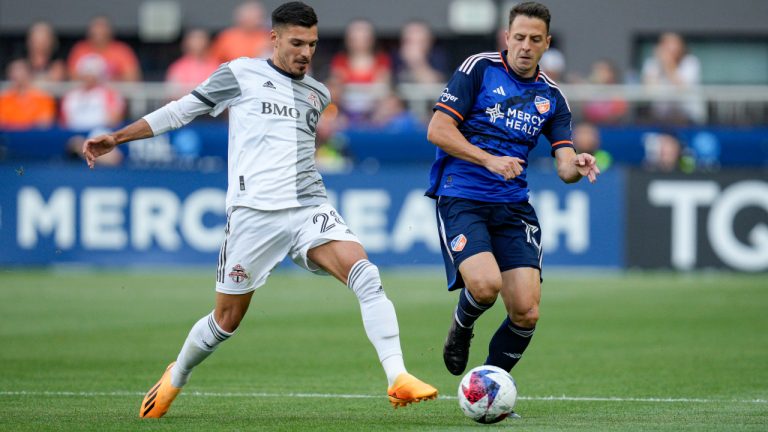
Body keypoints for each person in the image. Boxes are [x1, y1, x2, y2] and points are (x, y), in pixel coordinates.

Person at [81, 1, 437, 419]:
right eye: (297, 43)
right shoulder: (240, 73)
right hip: (253, 215)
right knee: (225, 322)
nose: (306, 52)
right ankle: (176, 375)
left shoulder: (318, 93)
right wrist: (118, 138)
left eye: (313, 44)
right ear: (275, 38)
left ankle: (397, 377)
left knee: (366, 273)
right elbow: (182, 110)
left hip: (307, 207)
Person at [425, 0, 599, 402]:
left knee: (526, 311)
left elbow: (564, 167)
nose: (525, 45)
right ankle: (462, 325)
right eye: (518, 37)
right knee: (484, 287)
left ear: (546, 44)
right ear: (507, 38)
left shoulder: (552, 97)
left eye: (534, 39)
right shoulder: (479, 68)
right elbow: (438, 129)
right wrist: (488, 159)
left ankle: (488, 389)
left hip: (512, 206)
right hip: (462, 195)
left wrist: (578, 163)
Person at [641, 32, 704, 124]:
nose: (671, 48)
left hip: (688, 119)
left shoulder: (691, 62)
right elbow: (649, 91)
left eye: (674, 44)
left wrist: (668, 63)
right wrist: (660, 64)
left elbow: (682, 89)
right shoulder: (652, 63)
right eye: (666, 44)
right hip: (660, 120)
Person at [61, 54, 125, 131]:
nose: (89, 77)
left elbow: (115, 119)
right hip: (74, 134)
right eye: (87, 72)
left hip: (101, 134)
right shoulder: (71, 95)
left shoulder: (111, 94)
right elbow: (65, 121)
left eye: (93, 73)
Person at [67, 16, 141, 81]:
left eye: (102, 27)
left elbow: (132, 77)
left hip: (113, 94)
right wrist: (89, 80)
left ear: (110, 30)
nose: (99, 31)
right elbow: (71, 76)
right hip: (84, 95)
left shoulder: (121, 50)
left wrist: (105, 79)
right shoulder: (80, 49)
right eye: (96, 27)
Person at [0, 59, 56, 130]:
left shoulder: (44, 98)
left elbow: (44, 123)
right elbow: (2, 122)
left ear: (29, 74)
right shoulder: (3, 99)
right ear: (9, 75)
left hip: (34, 137)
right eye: (14, 71)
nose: (18, 75)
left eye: (21, 71)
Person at [165, 29, 220, 97]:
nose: (198, 43)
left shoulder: (215, 65)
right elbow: (172, 94)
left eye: (201, 39)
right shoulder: (178, 67)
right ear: (186, 43)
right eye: (195, 39)